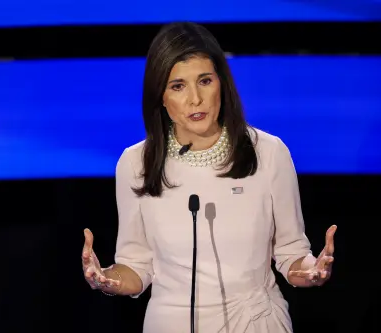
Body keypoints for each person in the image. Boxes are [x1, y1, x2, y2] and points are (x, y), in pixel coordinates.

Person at [81, 21, 337, 333]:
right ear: (160, 96)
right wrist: (108, 279)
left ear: (222, 83)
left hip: (257, 323)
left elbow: (290, 254)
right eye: (178, 86)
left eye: (204, 81)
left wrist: (311, 270)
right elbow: (137, 265)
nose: (195, 99)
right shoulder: (136, 163)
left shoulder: (268, 152)